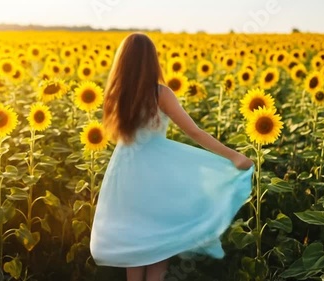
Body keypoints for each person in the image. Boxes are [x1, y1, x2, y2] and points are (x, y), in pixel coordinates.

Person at [90, 33, 254, 281]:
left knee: (135, 241)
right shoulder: (160, 93)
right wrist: (234, 156)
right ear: (152, 61)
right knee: (158, 237)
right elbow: (193, 132)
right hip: (156, 171)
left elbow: (118, 134)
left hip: (124, 170)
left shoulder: (115, 94)